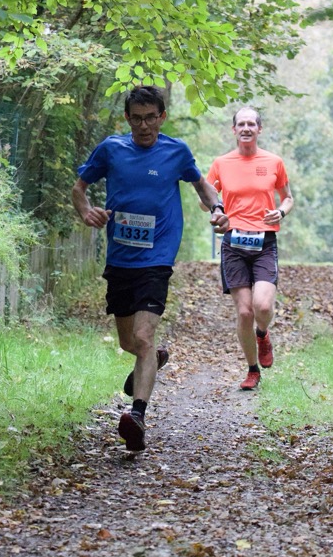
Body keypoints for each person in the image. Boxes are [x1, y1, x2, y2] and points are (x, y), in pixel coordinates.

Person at [72, 85, 229, 452]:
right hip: (120, 258)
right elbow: (79, 189)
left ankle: (137, 416)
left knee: (143, 337)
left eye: (151, 118)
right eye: (137, 119)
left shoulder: (176, 152)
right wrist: (86, 211)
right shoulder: (111, 149)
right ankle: (154, 359)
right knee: (129, 342)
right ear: (128, 119)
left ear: (162, 117)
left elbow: (202, 186)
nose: (144, 126)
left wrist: (218, 209)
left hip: (157, 257)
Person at [206, 106, 294, 390]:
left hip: (264, 241)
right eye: (241, 124)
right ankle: (252, 370)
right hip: (233, 242)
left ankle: (262, 333)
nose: (246, 128)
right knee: (244, 312)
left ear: (259, 129)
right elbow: (206, 198)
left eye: (251, 124)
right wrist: (216, 210)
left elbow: (288, 197)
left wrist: (280, 212)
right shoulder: (221, 163)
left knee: (263, 306)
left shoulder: (274, 162)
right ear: (234, 130)